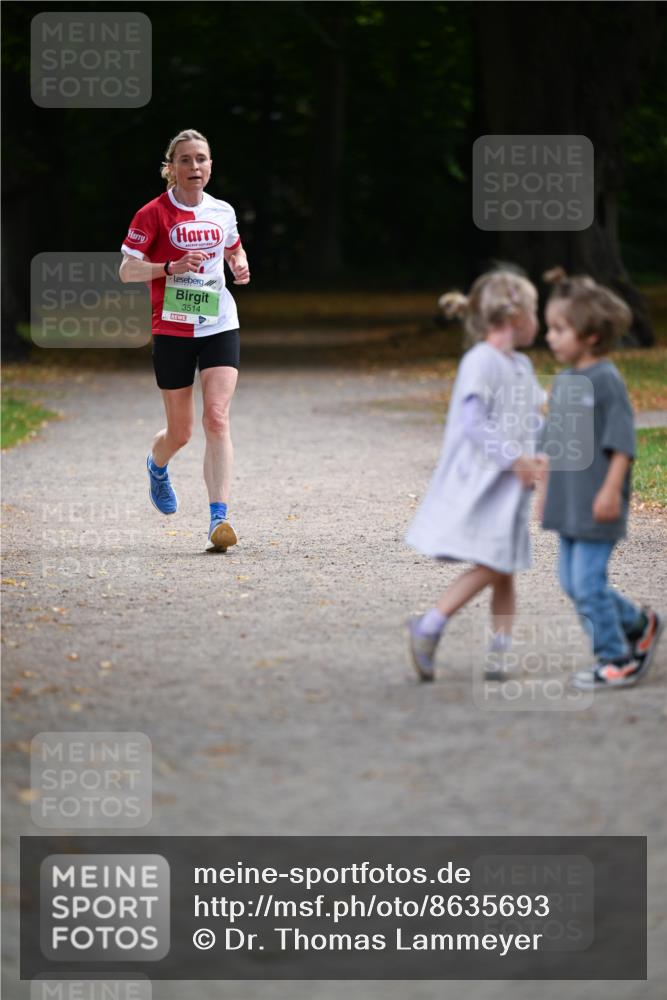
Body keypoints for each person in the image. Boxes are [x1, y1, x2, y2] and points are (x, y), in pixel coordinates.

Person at [406, 269, 546, 681]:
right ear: (516, 316)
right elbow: (473, 421)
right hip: (486, 482)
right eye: (535, 310)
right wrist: (514, 459)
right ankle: (431, 623)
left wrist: (539, 454)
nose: (538, 320)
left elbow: (529, 419)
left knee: (504, 567)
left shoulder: (521, 365)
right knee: (495, 561)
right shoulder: (480, 361)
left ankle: (501, 650)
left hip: (511, 486)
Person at [119, 128, 250, 552]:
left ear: (211, 165)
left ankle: (219, 518)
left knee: (217, 417)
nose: (195, 167)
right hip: (172, 328)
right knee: (181, 432)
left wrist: (240, 262)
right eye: (186, 160)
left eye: (202, 159)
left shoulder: (223, 211)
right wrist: (169, 267)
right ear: (171, 168)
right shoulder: (152, 213)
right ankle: (157, 465)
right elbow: (127, 271)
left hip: (218, 323)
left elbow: (232, 247)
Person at [539, 267, 662, 689]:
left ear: (590, 336)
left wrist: (611, 491)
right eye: (549, 327)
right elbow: (555, 446)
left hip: (598, 501)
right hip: (570, 503)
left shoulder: (605, 381)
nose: (550, 336)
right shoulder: (565, 381)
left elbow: (623, 443)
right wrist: (543, 491)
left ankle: (617, 658)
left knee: (588, 583)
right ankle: (639, 623)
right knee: (572, 583)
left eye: (559, 328)